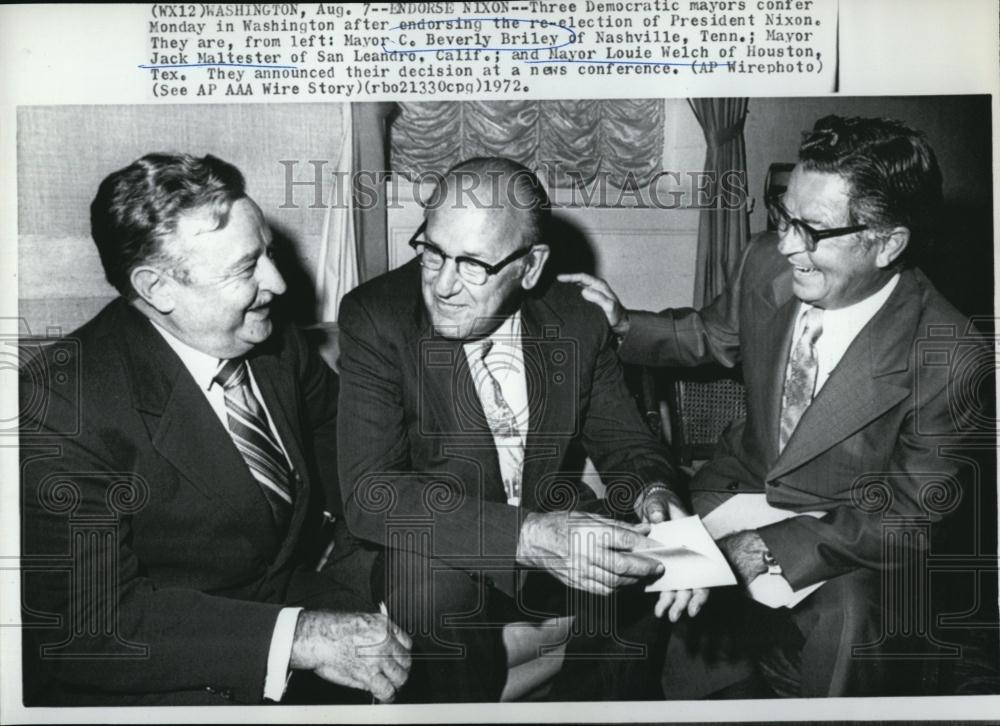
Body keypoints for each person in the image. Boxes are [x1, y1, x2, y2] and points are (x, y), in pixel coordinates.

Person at [561, 115, 987, 697]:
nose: (786, 245)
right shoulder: (766, 261)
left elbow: (910, 516)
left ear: (888, 244)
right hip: (736, 485)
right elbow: (709, 335)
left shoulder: (952, 353)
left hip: (847, 529)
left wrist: (765, 546)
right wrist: (622, 324)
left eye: (811, 230)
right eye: (783, 216)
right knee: (631, 578)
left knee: (851, 626)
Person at [19, 153, 411, 706]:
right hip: (171, 664)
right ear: (157, 289)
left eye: (268, 253)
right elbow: (91, 623)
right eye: (245, 268)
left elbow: (350, 452)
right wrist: (300, 637)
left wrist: (364, 566)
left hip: (294, 593)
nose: (276, 282)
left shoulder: (270, 339)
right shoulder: (61, 405)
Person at [336, 157, 708, 702]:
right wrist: (528, 535)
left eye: (472, 266)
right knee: (432, 593)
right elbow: (371, 492)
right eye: (432, 252)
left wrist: (655, 493)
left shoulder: (578, 320)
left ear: (531, 267)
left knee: (642, 566)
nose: (441, 285)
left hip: (550, 519)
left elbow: (627, 444)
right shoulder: (377, 317)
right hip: (441, 545)